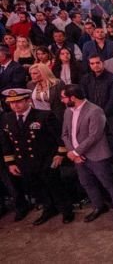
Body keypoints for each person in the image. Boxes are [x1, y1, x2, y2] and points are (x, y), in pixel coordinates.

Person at [1, 88, 73, 224]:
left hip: (46, 159)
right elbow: (6, 142)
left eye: (18, 102)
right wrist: (11, 163)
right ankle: (48, 209)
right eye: (12, 103)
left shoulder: (44, 115)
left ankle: (66, 210)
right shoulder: (7, 118)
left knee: (55, 186)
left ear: (28, 100)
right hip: (24, 161)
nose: (15, 105)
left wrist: (60, 154)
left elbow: (59, 137)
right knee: (38, 188)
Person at [60, 85, 113, 223]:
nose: (62, 100)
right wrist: (73, 152)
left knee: (108, 183)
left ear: (73, 97)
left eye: (63, 97)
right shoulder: (67, 111)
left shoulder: (95, 110)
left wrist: (76, 152)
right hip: (77, 157)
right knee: (86, 183)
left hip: (97, 155)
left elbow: (94, 136)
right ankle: (98, 206)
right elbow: (65, 134)